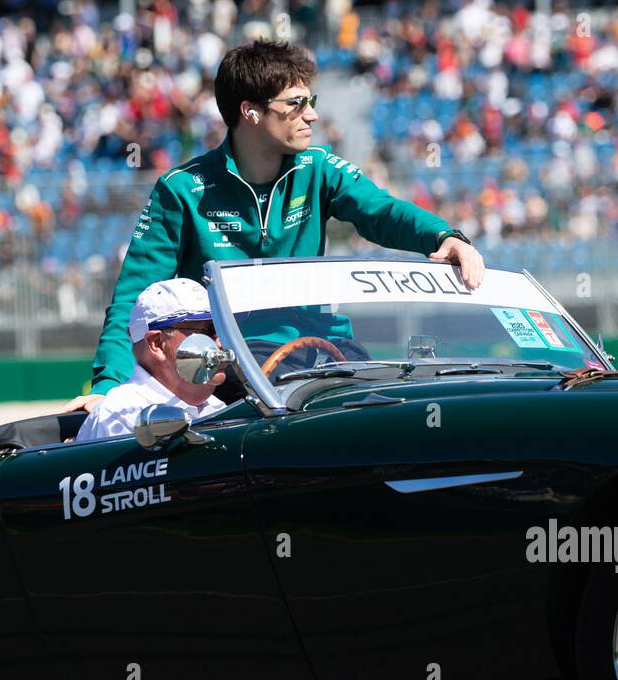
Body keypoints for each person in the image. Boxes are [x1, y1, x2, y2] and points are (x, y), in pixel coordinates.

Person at [63, 38, 484, 413]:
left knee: (388, 424)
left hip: (324, 351)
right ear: (251, 112)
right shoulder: (181, 189)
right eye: (296, 104)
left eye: (311, 101)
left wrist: (444, 236)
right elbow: (134, 298)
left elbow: (382, 211)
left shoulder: (319, 169)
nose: (312, 116)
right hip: (228, 366)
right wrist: (109, 388)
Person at [73, 278, 229, 443]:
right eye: (208, 330)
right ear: (158, 344)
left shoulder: (218, 408)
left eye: (223, 328)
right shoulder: (120, 417)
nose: (220, 342)